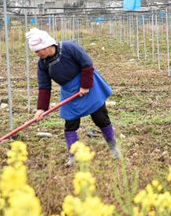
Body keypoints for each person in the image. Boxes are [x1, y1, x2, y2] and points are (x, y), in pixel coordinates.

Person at [27, 27, 119, 165]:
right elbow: (44, 86)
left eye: (37, 50)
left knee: (100, 118)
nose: (36, 53)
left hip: (88, 86)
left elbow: (87, 64)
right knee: (70, 123)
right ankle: (73, 157)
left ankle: (114, 149)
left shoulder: (69, 48)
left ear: (46, 46)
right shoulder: (42, 64)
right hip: (69, 91)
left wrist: (85, 85)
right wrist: (41, 109)